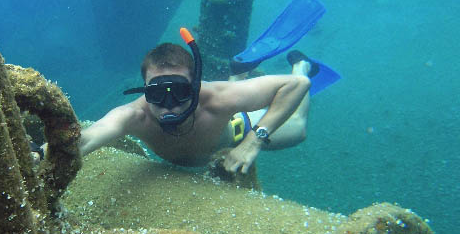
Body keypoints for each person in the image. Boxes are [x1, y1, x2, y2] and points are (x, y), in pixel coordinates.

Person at [78, 40, 314, 174]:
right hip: (224, 109)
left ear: (194, 86)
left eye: (180, 92)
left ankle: (302, 64)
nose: (168, 106)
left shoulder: (216, 98)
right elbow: (87, 138)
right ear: (145, 91)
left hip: (237, 128)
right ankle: (238, 72)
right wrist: (42, 151)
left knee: (297, 129)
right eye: (158, 94)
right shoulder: (133, 116)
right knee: (234, 96)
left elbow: (297, 86)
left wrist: (253, 142)